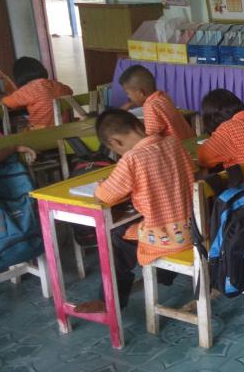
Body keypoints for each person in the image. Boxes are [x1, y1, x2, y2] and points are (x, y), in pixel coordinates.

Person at [76, 109, 194, 312]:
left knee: (116, 235)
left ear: (115, 142)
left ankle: (110, 300)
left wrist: (102, 184)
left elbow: (105, 196)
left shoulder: (132, 159)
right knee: (130, 227)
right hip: (193, 229)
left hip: (166, 238)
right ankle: (164, 276)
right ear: (139, 125)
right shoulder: (173, 143)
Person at [118, 64, 194, 141]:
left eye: (128, 93)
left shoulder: (150, 107)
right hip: (189, 141)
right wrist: (131, 104)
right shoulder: (162, 96)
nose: (128, 96)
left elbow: (150, 137)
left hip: (176, 146)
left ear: (140, 92)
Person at [0, 57, 72, 130]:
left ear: (19, 76)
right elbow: (70, 91)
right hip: (66, 130)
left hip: (41, 132)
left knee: (19, 132)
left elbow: (3, 103)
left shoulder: (28, 90)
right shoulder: (58, 85)